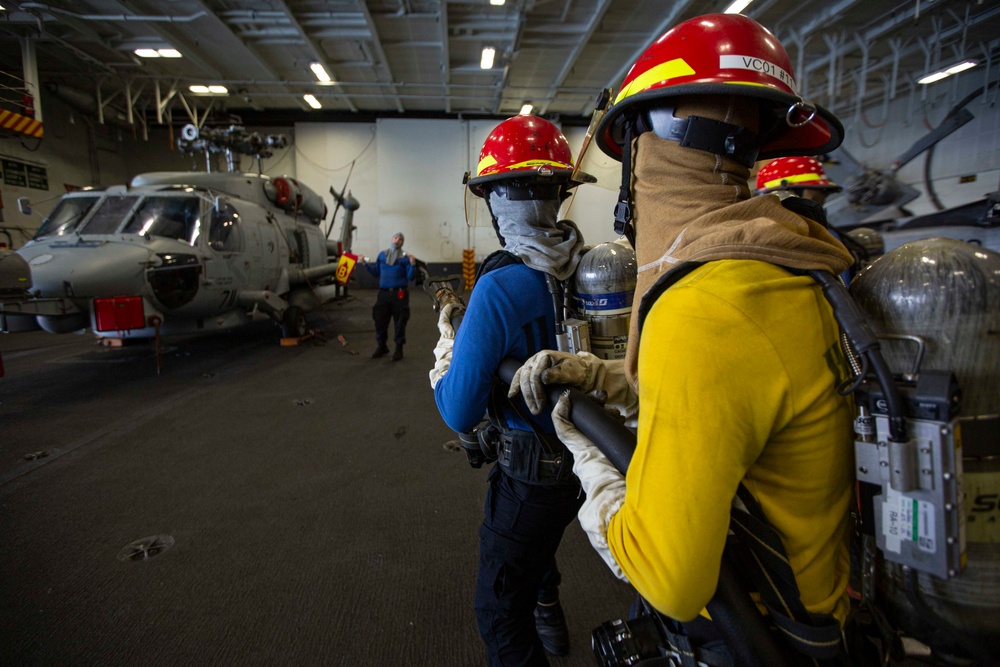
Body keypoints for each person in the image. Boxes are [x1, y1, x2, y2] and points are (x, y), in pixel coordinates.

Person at [510, 13, 858, 664]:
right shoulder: (784, 266)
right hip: (824, 620)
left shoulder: (703, 309)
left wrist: (600, 476)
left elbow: (672, 580)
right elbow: (743, 400)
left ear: (642, 147)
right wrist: (598, 375)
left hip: (761, 638)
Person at [429, 115, 592, 666]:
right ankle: (549, 611)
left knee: (498, 611)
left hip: (530, 475)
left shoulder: (501, 286)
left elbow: (459, 408)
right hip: (586, 463)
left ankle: (536, 617)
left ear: (500, 200)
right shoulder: (586, 267)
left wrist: (447, 353)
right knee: (536, 552)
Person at [364, 232, 416, 361]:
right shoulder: (382, 255)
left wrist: (413, 264)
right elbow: (376, 272)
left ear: (402, 243)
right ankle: (382, 346)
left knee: (400, 321)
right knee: (379, 319)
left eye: (400, 239)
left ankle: (399, 349)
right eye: (395, 238)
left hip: (400, 294)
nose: (397, 240)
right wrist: (365, 264)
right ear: (391, 239)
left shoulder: (405, 258)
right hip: (384, 294)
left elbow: (410, 277)